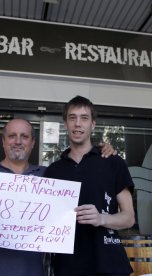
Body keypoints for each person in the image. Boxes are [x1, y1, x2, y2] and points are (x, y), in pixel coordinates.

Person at [0, 118, 116, 276]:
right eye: (12, 136)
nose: (18, 141)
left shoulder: (47, 176)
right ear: (3, 141)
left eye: (24, 136)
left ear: (32, 143)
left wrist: (99, 152)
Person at [44, 96, 135, 276]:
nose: (78, 124)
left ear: (93, 124)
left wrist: (102, 218)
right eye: (72, 117)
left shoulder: (113, 162)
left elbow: (129, 217)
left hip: (108, 264)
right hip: (66, 267)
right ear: (65, 124)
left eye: (84, 118)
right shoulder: (53, 171)